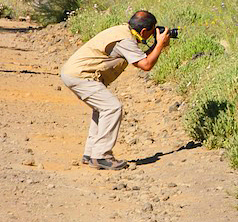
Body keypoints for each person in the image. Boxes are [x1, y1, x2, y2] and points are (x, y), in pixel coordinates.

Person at [59, 10, 171, 170]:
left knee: (102, 109)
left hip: (75, 73)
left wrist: (155, 45)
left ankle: (90, 154)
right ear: (144, 31)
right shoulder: (126, 40)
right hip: (81, 76)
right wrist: (159, 45)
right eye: (152, 33)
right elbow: (146, 65)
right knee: (112, 108)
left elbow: (139, 58)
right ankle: (101, 156)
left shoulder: (124, 32)